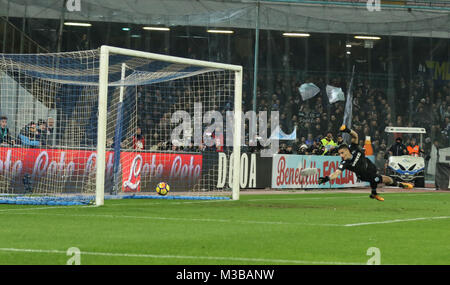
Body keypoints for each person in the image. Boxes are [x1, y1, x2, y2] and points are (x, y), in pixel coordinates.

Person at [318, 125, 413, 201]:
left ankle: (374, 194)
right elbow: (336, 173)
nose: (341, 155)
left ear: (347, 150)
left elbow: (355, 135)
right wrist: (327, 178)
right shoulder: (345, 163)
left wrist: (347, 130)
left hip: (369, 165)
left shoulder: (353, 147)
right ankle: (401, 185)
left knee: (376, 176)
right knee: (383, 179)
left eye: (342, 153)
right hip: (364, 175)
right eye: (339, 154)